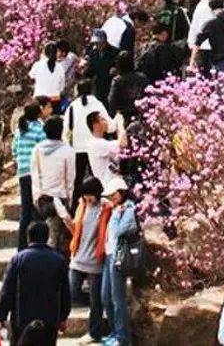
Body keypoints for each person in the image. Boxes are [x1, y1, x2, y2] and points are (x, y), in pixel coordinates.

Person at [0, 220, 71, 346]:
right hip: (49, 321)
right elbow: (65, 293)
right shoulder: (59, 260)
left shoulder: (18, 259)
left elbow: (7, 291)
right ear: (47, 237)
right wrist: (63, 317)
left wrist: (1, 317)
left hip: (22, 320)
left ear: (28, 237)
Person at [69, 176, 109, 344]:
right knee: (72, 292)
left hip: (95, 260)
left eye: (90, 196)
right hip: (78, 257)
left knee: (95, 301)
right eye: (85, 196)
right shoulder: (82, 205)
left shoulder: (106, 208)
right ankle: (100, 303)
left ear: (97, 193)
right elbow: (76, 227)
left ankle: (94, 332)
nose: (87, 199)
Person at [63, 80, 112, 209]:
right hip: (95, 147)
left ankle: (76, 209)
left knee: (78, 180)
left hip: (77, 149)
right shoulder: (97, 104)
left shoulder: (72, 106)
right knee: (97, 180)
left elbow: (67, 129)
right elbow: (109, 125)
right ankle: (99, 208)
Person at [101, 178, 138, 346]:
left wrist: (116, 215)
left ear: (122, 192)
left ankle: (122, 337)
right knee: (106, 296)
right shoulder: (117, 209)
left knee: (118, 298)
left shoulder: (127, 209)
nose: (111, 198)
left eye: (113, 194)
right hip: (110, 255)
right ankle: (115, 331)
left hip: (118, 257)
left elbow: (118, 231)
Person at [30, 117, 75, 254]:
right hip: (60, 198)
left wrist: (36, 197)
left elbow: (35, 174)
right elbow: (70, 178)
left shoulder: (37, 149)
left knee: (48, 234)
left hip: (43, 199)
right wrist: (70, 200)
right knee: (57, 237)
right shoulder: (67, 150)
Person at [12, 103, 47, 251]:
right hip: (35, 173)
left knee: (25, 211)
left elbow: (14, 151)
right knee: (39, 208)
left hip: (22, 173)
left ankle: (21, 246)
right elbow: (45, 149)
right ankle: (39, 243)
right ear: (38, 114)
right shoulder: (39, 130)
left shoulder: (19, 130)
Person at [86, 110, 127, 186]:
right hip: (108, 186)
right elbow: (123, 143)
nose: (107, 122)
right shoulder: (95, 144)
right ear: (95, 125)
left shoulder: (101, 142)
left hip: (115, 184)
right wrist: (120, 123)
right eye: (103, 120)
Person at [107, 52, 147, 124]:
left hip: (124, 117)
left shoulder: (117, 81)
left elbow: (111, 101)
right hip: (141, 115)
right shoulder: (142, 77)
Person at [29, 43, 67, 108]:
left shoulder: (37, 65)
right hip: (54, 100)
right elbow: (61, 87)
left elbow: (31, 76)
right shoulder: (60, 68)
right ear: (56, 54)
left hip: (39, 99)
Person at [84, 31, 112, 106]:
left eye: (99, 42)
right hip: (98, 88)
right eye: (95, 43)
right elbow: (90, 71)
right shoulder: (93, 53)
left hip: (110, 87)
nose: (97, 45)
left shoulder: (114, 52)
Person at [55, 41, 79, 109]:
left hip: (68, 93)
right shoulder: (72, 56)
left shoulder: (69, 59)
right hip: (62, 93)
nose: (56, 53)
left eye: (57, 51)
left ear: (64, 53)